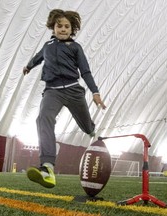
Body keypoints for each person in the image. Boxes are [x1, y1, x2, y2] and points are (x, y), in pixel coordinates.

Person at [23, 9, 106, 188]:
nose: (63, 29)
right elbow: (38, 58)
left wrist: (95, 92)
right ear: (53, 27)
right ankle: (47, 167)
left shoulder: (75, 48)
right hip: (52, 91)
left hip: (73, 90)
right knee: (43, 118)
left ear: (72, 29)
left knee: (87, 126)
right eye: (59, 26)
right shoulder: (47, 46)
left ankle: (92, 131)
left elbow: (85, 71)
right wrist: (28, 66)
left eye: (67, 26)